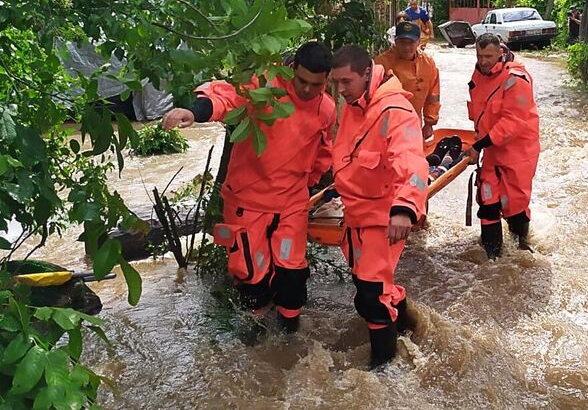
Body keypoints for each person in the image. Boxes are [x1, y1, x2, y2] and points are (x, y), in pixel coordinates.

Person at [161, 42, 336, 332]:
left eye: (315, 85)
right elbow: (227, 97)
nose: (306, 89)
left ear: (326, 80)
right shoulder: (266, 86)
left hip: (292, 201)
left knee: (292, 276)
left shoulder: (326, 109)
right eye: (302, 81)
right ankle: (254, 337)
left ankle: (288, 345)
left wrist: (310, 182)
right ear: (292, 69)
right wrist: (195, 112)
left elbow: (323, 151)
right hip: (248, 199)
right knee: (251, 276)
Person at [329, 45, 428, 367]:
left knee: (370, 298)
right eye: (336, 83)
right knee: (370, 287)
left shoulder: (394, 110)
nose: (340, 90)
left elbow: (411, 160)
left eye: (346, 81)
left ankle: (384, 372)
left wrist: (404, 208)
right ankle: (409, 325)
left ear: (367, 74)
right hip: (356, 215)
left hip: (383, 216)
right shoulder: (356, 106)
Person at [467, 33, 540, 258]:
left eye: (488, 56)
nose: (483, 61)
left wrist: (479, 145)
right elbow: (481, 112)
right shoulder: (480, 73)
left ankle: (522, 248)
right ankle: (492, 260)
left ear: (500, 53)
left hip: (518, 152)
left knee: (515, 205)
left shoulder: (516, 78)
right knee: (487, 201)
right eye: (480, 56)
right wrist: (479, 143)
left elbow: (512, 123)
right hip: (491, 149)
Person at [375, 21, 441, 140]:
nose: (406, 47)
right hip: (386, 122)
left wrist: (429, 123)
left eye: (411, 43)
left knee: (410, 153)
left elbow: (433, 95)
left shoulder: (428, 63)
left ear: (419, 42)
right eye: (402, 43)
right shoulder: (382, 64)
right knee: (385, 151)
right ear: (395, 42)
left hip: (413, 121)